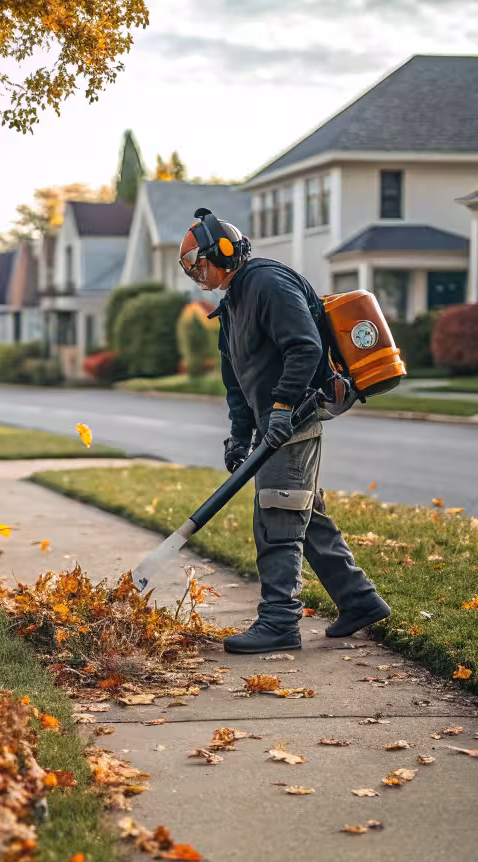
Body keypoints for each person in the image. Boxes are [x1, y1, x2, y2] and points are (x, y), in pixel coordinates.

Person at [179, 208, 390, 654]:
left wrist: (280, 407)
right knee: (305, 516)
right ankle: (360, 601)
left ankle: (279, 621)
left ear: (224, 250)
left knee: (277, 515)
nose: (197, 273)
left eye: (199, 262)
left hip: (298, 415)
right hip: (272, 422)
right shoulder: (232, 304)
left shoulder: (268, 283)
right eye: (189, 268)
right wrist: (239, 436)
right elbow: (236, 381)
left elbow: (305, 346)